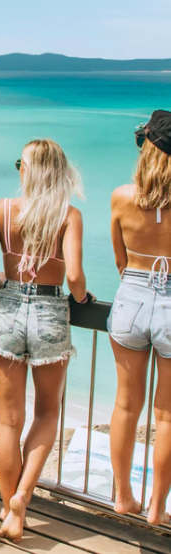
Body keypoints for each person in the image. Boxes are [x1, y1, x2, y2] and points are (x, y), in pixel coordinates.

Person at [0, 139, 89, 542]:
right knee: (46, 413)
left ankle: (11, 509)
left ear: (27, 171)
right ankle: (23, 496)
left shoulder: (0, 210)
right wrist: (82, 300)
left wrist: (3, 290)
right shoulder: (68, 216)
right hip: (49, 313)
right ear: (58, 173)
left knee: (9, 419)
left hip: (7, 308)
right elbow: (74, 278)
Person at [108, 110, 171, 526]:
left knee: (126, 407)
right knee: (167, 414)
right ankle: (157, 509)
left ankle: (123, 497)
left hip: (131, 293)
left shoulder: (121, 196)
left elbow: (118, 259)